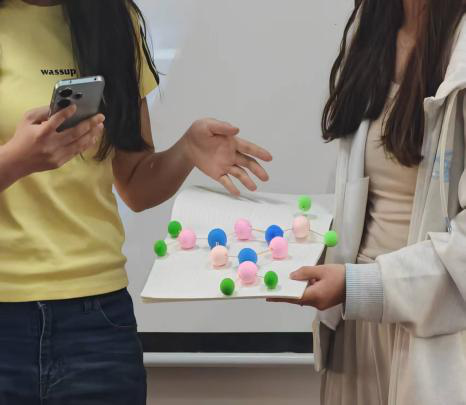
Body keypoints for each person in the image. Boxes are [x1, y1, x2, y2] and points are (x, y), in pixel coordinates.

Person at [0, 1, 272, 404]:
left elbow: (135, 184)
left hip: (97, 322)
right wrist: (15, 161)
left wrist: (187, 149)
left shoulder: (113, 17)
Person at [271, 0, 466, 404]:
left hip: (434, 344)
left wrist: (360, 285)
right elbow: (357, 200)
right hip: (356, 331)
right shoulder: (374, 32)